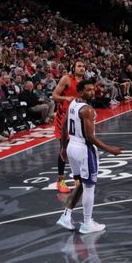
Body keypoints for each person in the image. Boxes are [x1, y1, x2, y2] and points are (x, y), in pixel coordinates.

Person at [56, 80, 123, 234]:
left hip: (72, 146)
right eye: (88, 90)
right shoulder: (87, 110)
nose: (92, 92)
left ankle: (66, 216)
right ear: (80, 92)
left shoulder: (73, 102)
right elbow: (90, 137)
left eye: (93, 89)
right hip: (83, 149)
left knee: (81, 183)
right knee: (89, 187)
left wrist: (64, 147)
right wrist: (110, 150)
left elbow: (65, 124)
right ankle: (87, 223)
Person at [52, 61, 86, 193]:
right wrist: (66, 98)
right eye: (79, 66)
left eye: (83, 66)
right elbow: (54, 96)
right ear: (74, 68)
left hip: (76, 117)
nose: (82, 68)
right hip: (63, 118)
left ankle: (77, 177)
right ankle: (60, 180)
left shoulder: (85, 82)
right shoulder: (66, 79)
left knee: (77, 149)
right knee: (64, 149)